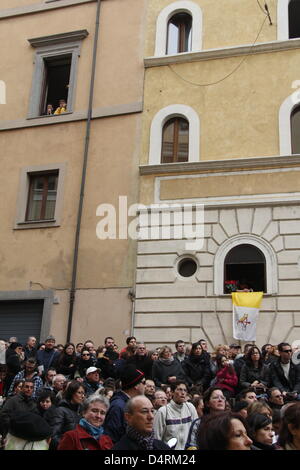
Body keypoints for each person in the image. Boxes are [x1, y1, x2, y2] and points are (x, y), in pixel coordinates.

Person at [104, 365, 145, 443]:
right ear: (136, 385)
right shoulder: (118, 406)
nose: (145, 386)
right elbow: (111, 438)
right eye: (143, 382)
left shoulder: (128, 403)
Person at [153, 381, 198, 450]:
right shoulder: (163, 411)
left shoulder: (190, 407)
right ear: (172, 392)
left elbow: (196, 431)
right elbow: (156, 438)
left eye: (185, 390)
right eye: (179, 389)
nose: (183, 393)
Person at [47, 380, 85, 449]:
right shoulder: (60, 411)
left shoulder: (82, 411)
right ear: (72, 393)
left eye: (83, 393)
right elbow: (54, 436)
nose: (82, 396)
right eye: (79, 393)